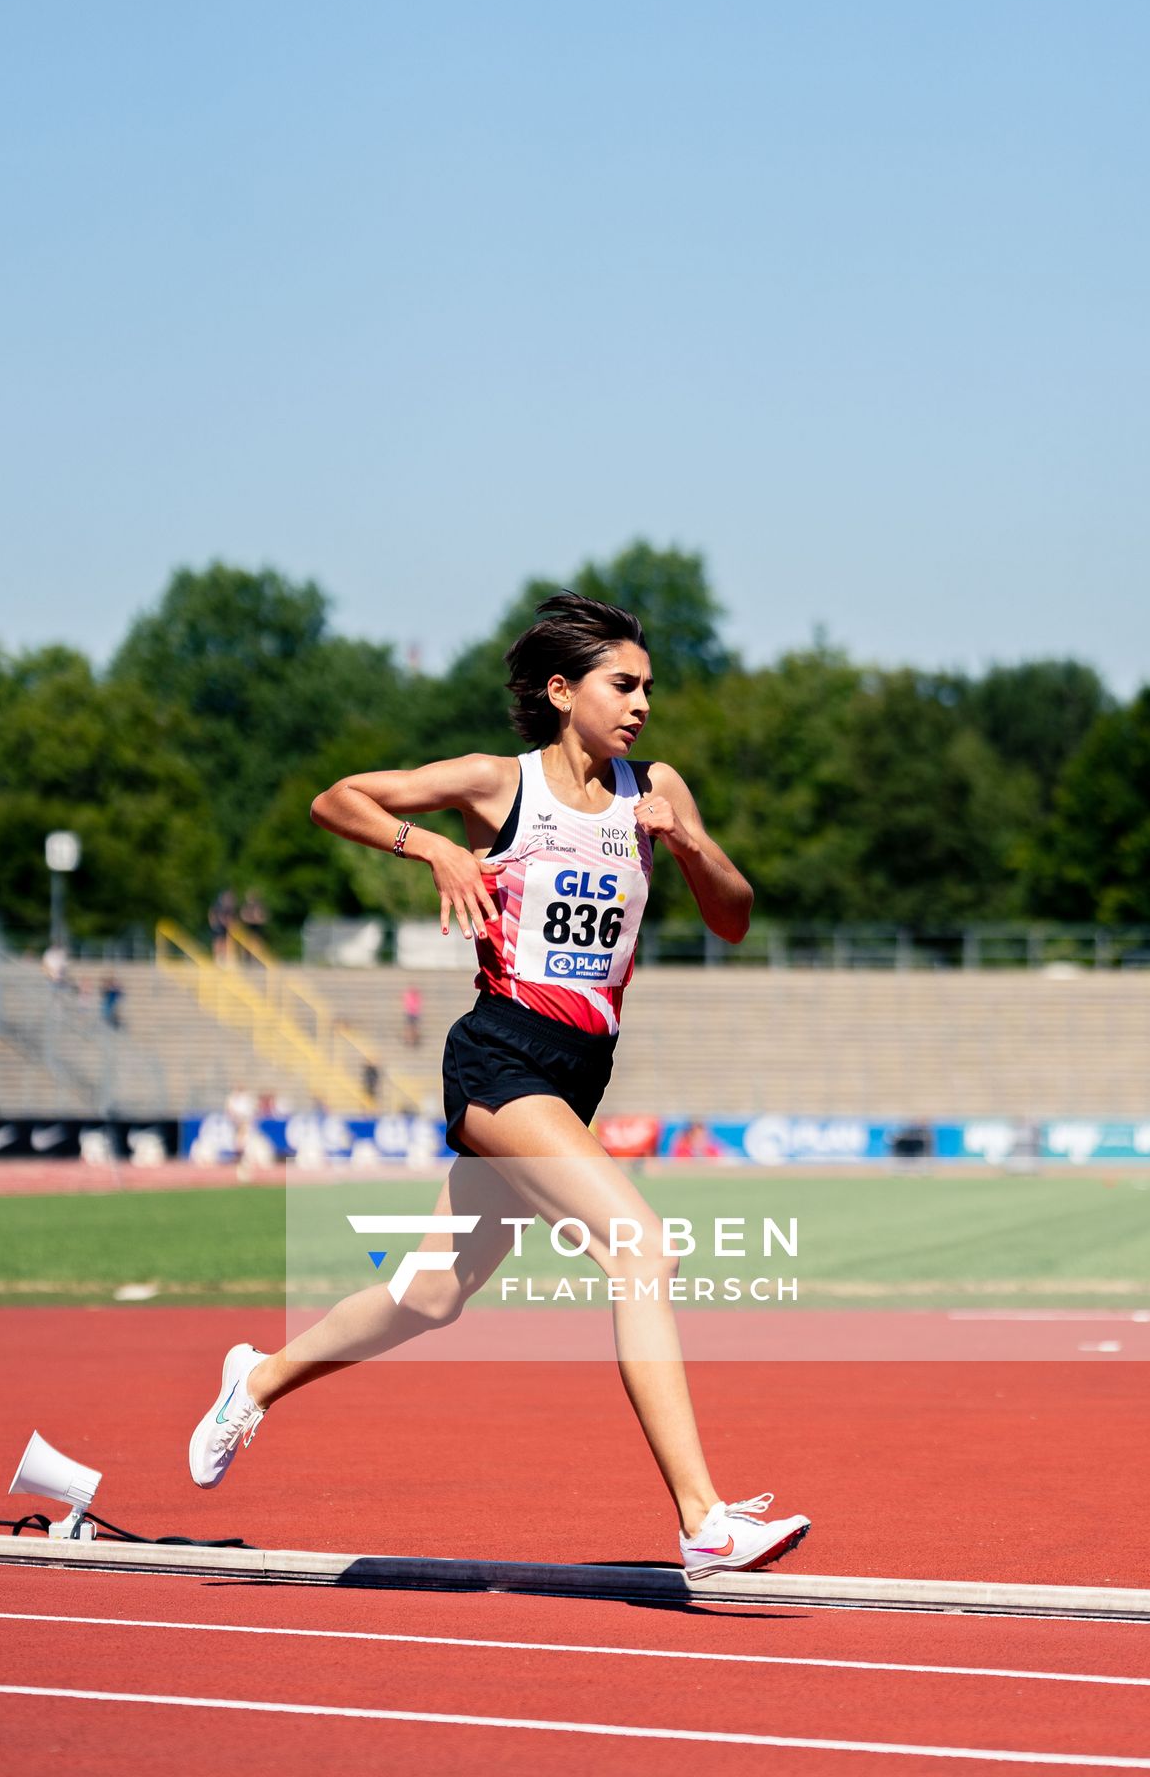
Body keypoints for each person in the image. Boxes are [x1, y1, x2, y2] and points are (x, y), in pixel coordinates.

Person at [187, 592, 809, 1578]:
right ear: (562, 692)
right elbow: (338, 799)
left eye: (648, 686)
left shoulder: (658, 789)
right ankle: (701, 1518)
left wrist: (685, 843)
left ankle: (255, 1380)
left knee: (429, 1296)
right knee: (640, 1250)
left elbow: (731, 918)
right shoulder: (495, 784)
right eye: (622, 684)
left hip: (576, 1073)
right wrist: (428, 843)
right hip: (500, 1057)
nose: (641, 703)